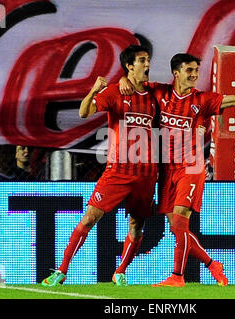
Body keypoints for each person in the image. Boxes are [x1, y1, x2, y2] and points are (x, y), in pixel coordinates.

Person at [121, 53, 235, 287]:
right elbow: (134, 83)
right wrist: (122, 81)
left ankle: (177, 277)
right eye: (189, 70)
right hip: (166, 171)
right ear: (176, 73)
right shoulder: (159, 93)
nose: (194, 74)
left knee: (179, 221)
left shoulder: (203, 100)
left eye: (196, 70)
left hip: (191, 168)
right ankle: (212, 264)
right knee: (177, 229)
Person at [41, 45, 159, 287]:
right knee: (90, 217)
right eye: (142, 60)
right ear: (129, 66)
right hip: (118, 170)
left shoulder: (155, 93)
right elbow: (84, 112)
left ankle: (120, 272)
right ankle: (62, 271)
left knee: (136, 226)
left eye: (148, 60)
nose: (147, 64)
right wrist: (95, 89)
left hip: (146, 173)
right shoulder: (115, 91)